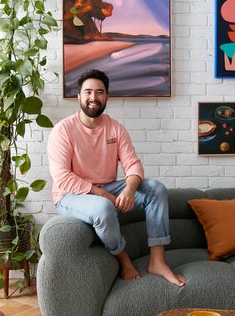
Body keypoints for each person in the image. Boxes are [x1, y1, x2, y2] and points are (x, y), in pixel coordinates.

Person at [47, 69, 185, 287]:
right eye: (88, 92)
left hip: (108, 187)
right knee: (103, 208)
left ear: (107, 97)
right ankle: (123, 258)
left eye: (99, 92)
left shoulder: (115, 128)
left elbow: (133, 164)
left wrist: (129, 190)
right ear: (79, 97)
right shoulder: (63, 130)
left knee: (155, 188)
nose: (94, 97)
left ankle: (157, 261)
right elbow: (62, 177)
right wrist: (102, 194)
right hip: (69, 195)